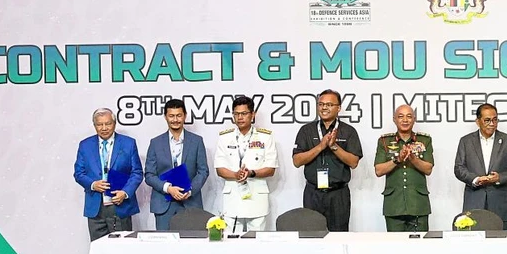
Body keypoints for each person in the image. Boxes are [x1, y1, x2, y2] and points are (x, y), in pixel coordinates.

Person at [292, 89, 362, 232]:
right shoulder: (306, 130)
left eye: (329, 104)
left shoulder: (348, 131)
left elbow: (353, 162)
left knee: (339, 236)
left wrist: (334, 146)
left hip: (338, 194)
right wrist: (321, 146)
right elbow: (297, 161)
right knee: (311, 235)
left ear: (339, 108)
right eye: (321, 104)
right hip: (313, 193)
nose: (324, 107)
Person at [73, 108, 143, 241]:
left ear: (114, 124)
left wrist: (125, 192)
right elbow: (78, 173)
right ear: (94, 125)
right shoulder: (85, 145)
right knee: (98, 251)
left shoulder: (128, 143)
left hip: (121, 206)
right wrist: (93, 184)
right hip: (96, 209)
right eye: (99, 124)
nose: (104, 128)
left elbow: (137, 172)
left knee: (123, 251)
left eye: (108, 123)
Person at [143, 99, 210, 230]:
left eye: (179, 115)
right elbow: (149, 175)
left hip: (190, 202)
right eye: (171, 116)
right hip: (163, 204)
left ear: (185, 115)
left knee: (191, 247)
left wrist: (190, 190)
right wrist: (168, 188)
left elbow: (203, 171)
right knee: (165, 248)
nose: (175, 119)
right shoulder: (155, 143)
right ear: (165, 117)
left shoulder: (197, 141)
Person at [214, 96, 278, 232]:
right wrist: (235, 174)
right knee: (230, 242)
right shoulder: (224, 137)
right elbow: (219, 169)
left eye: (244, 113)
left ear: (252, 114)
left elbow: (271, 169)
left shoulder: (265, 137)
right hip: (232, 199)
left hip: (257, 198)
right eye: (236, 114)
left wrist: (251, 173)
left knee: (257, 243)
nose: (240, 117)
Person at [454, 103, 507, 230]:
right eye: (487, 120)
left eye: (495, 119)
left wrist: (499, 178)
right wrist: (476, 179)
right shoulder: (466, 141)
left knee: (501, 245)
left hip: (500, 202)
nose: (492, 123)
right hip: (474, 202)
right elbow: (459, 168)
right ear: (477, 121)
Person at [374, 105, 434, 232]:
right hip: (394, 205)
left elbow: (428, 169)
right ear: (394, 119)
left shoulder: (425, 140)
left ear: (414, 119)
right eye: (400, 116)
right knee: (395, 248)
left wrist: (413, 159)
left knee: (421, 247)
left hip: (418, 204)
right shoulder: (384, 141)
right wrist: (397, 160)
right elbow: (379, 170)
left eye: (409, 116)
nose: (405, 120)